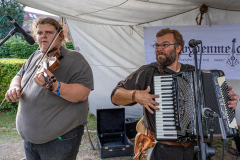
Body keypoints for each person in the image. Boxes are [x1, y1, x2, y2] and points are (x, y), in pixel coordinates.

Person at [111, 28, 239, 160]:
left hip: (195, 149)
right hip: (162, 150)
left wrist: (227, 101)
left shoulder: (193, 72)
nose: (159, 48)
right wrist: (135, 95)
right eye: (157, 45)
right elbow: (115, 95)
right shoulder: (147, 72)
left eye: (165, 45)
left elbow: (213, 103)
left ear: (178, 48)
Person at [5, 17, 94, 160]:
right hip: (30, 138)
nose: (43, 36)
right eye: (40, 33)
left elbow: (82, 94)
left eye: (48, 32)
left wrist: (55, 86)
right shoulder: (35, 56)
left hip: (59, 139)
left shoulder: (75, 59)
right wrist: (14, 87)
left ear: (60, 35)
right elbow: (19, 75)